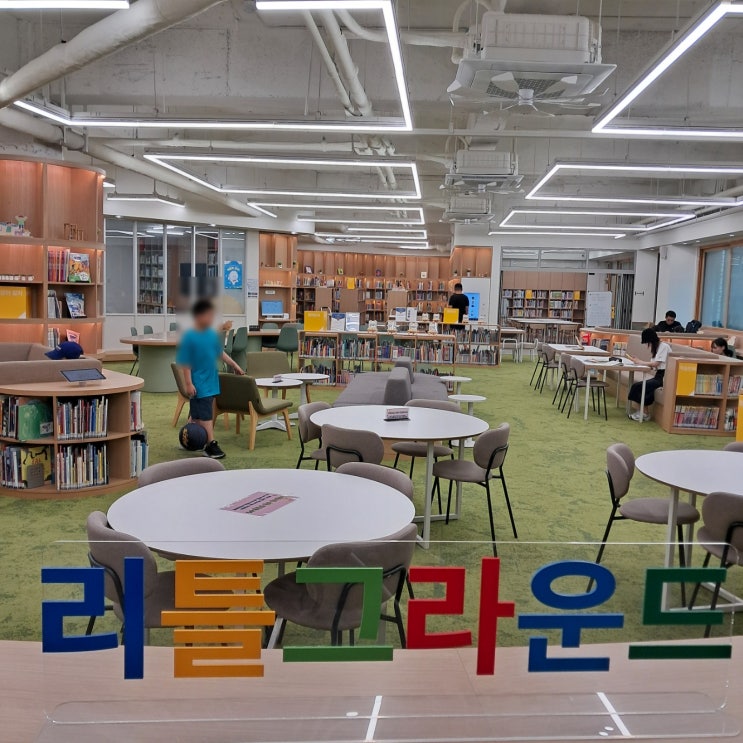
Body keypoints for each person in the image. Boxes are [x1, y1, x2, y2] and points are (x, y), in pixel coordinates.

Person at [176, 299, 244, 459]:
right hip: (199, 384)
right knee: (206, 416)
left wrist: (235, 365)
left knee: (196, 415)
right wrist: (188, 383)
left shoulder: (210, 335)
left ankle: (188, 439)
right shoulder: (189, 337)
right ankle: (210, 445)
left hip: (211, 383)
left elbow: (220, 353)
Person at [626, 328, 672, 422]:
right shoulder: (657, 348)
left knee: (638, 387)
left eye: (648, 343)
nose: (648, 345)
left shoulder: (664, 347)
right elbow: (653, 365)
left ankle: (644, 413)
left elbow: (656, 364)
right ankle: (644, 412)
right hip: (658, 375)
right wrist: (637, 361)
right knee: (639, 386)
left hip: (664, 377)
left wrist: (640, 362)